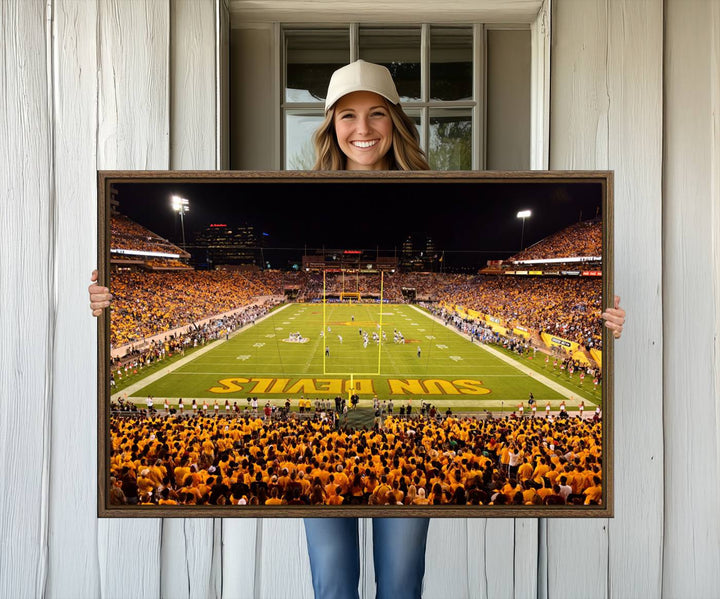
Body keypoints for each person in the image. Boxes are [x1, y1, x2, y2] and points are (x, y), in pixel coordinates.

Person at [87, 59, 627, 599]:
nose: (362, 129)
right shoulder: (300, 185)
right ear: (330, 126)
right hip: (320, 454)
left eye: (375, 114)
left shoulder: (434, 187)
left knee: (400, 584)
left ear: (395, 120)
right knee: (333, 583)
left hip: (404, 453)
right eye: (347, 116)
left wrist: (605, 320)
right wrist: (106, 297)